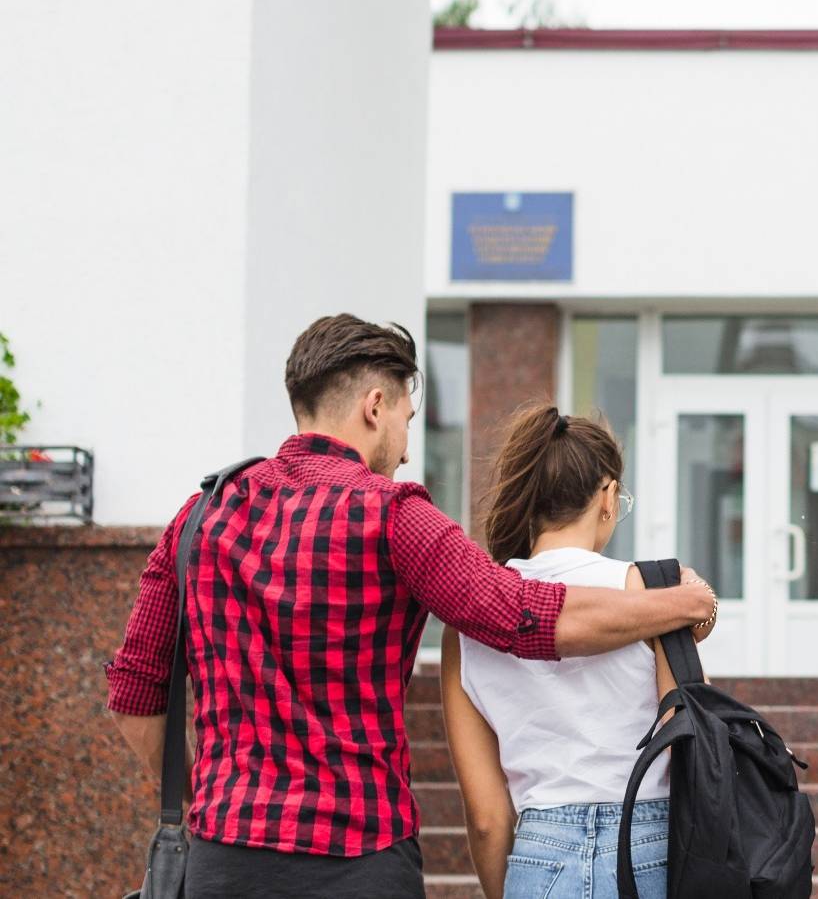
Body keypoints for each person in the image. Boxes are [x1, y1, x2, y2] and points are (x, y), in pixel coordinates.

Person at [105, 315, 718, 899]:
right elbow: (523, 615)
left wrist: (207, 802)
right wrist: (679, 602)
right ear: (375, 406)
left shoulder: (199, 517)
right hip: (359, 855)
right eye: (406, 419)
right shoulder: (394, 515)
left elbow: (136, 696)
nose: (403, 452)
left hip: (224, 854)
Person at [440, 405, 717, 899]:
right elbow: (690, 748)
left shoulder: (470, 621)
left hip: (540, 852)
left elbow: (486, 820)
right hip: (650, 842)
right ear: (608, 495)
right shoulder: (651, 592)